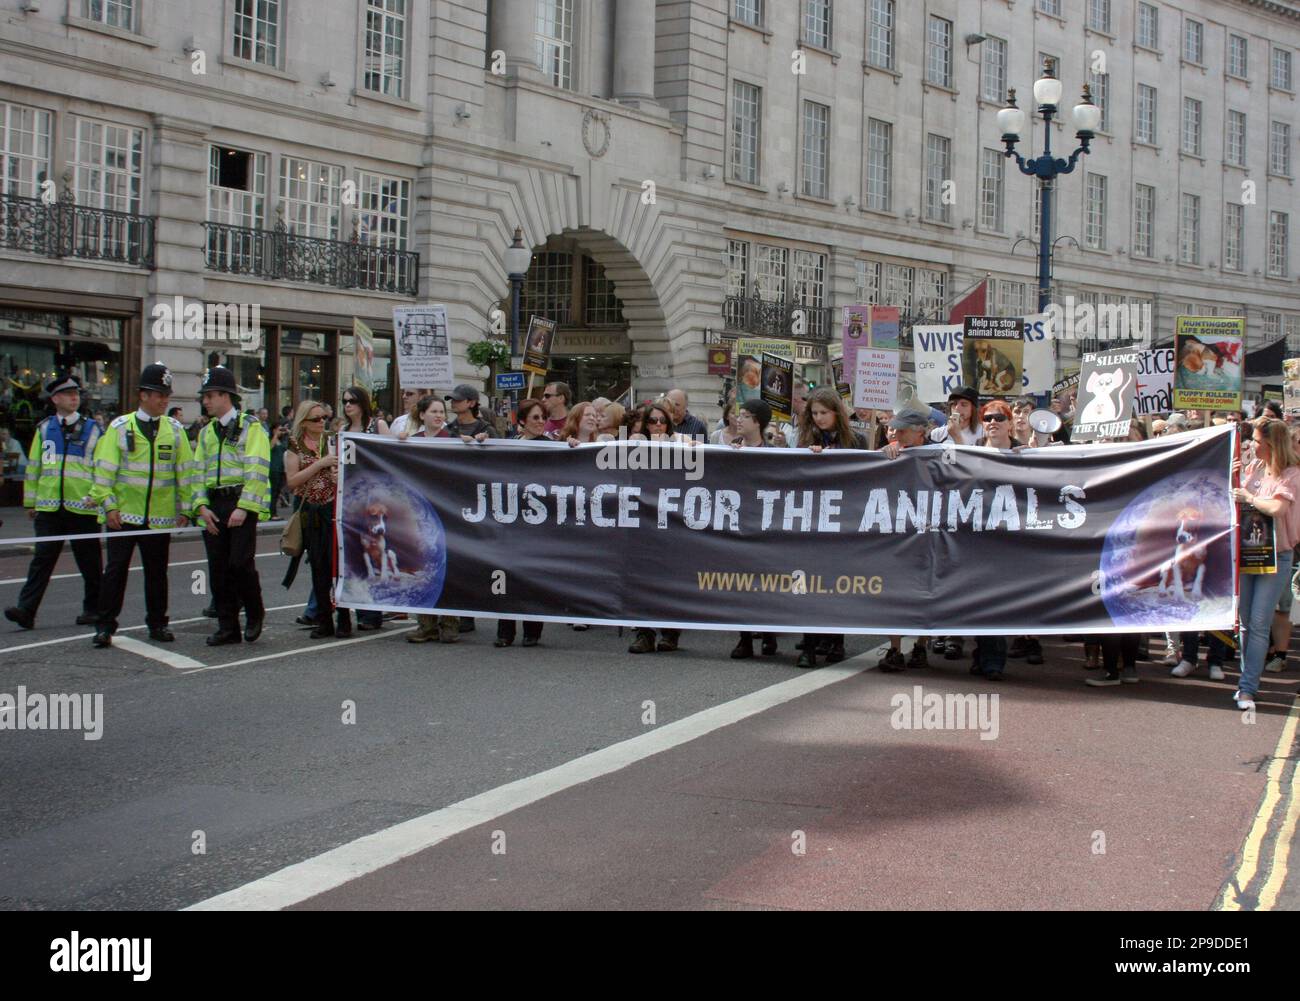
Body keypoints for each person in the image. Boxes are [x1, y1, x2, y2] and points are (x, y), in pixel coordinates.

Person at [87, 364, 194, 648]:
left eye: (167, 394)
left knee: (157, 572)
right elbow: (103, 471)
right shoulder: (120, 428)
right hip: (124, 515)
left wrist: (186, 507)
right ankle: (105, 626)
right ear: (143, 395)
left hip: (158, 517)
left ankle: (158, 623)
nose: (164, 400)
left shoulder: (174, 430)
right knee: (116, 571)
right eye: (159, 394)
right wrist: (108, 506)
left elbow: (185, 471)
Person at [4, 373, 103, 630]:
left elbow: (101, 468)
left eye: (76, 394)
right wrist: (30, 502)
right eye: (69, 394)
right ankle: (26, 610)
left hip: (82, 506)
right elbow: (35, 467)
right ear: (55, 399)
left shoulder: (93, 429)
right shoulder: (45, 428)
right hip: (49, 507)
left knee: (90, 562)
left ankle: (93, 609)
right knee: (42, 561)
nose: (74, 398)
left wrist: (97, 497)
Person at [192, 366, 270, 647]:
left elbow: (258, 470)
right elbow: (197, 472)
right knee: (218, 568)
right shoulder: (207, 433)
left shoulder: (252, 427)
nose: (206, 401)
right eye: (205, 397)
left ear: (226, 397)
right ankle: (227, 626)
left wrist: (245, 506)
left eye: (210, 395)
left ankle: (254, 612)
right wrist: (200, 505)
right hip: (214, 504)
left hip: (240, 503)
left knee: (240, 563)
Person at [1228, 418, 1300, 710]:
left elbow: (1277, 508)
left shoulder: (1292, 474)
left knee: (1258, 623)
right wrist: (1233, 477)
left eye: (1257, 441)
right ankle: (1247, 680)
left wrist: (1250, 496)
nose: (1252, 445)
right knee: (1246, 623)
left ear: (1271, 445)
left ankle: (1247, 688)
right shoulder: (1254, 468)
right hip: (1249, 552)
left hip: (1277, 556)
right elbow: (1237, 501)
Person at [793, 389, 865, 668]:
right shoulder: (806, 439)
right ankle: (809, 645)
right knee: (808, 584)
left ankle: (837, 641)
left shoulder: (855, 441)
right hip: (811, 522)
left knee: (836, 585)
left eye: (824, 412)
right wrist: (809, 457)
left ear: (837, 412)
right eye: (815, 413)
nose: (819, 418)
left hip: (842, 522)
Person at [285, 401, 351, 640]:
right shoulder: (294, 447)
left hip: (334, 510)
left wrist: (337, 475)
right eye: (315, 419)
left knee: (339, 566)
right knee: (319, 567)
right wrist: (319, 465)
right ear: (303, 422)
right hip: (311, 512)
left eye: (323, 417)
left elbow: (348, 469)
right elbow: (292, 481)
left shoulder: (333, 441)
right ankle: (324, 619)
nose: (321, 422)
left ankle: (344, 617)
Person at [876, 407, 933, 671]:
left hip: (929, 532)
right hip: (898, 533)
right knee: (893, 591)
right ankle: (895, 649)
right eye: (895, 428)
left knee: (927, 591)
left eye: (903, 429)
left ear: (920, 432)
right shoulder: (891, 453)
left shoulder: (939, 453)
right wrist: (886, 458)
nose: (896, 433)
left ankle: (921, 645)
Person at [729, 399, 781, 660]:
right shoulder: (730, 450)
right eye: (739, 415)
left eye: (745, 416)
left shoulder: (775, 452)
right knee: (741, 583)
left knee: (767, 584)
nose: (739, 420)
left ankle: (769, 633)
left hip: (765, 525)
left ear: (758, 422)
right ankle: (744, 638)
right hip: (740, 524)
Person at [339, 387, 386, 631]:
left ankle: (373, 612)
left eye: (353, 401)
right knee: (354, 558)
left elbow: (390, 459)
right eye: (345, 401)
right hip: (349, 502)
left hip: (371, 502)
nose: (348, 406)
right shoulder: (343, 431)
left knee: (372, 556)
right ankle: (359, 609)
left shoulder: (377, 426)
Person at [268, 422, 288, 518]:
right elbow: (270, 448)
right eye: (279, 429)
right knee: (273, 492)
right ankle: (272, 513)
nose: (281, 432)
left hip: (281, 469)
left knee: (277, 492)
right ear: (274, 430)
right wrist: (275, 435)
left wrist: (287, 432)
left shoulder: (282, 440)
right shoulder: (271, 439)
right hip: (273, 469)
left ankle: (273, 512)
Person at [781, 379, 808, 447]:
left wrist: (784, 445)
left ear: (795, 399)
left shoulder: (812, 421)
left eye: (785, 398)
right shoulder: (785, 421)